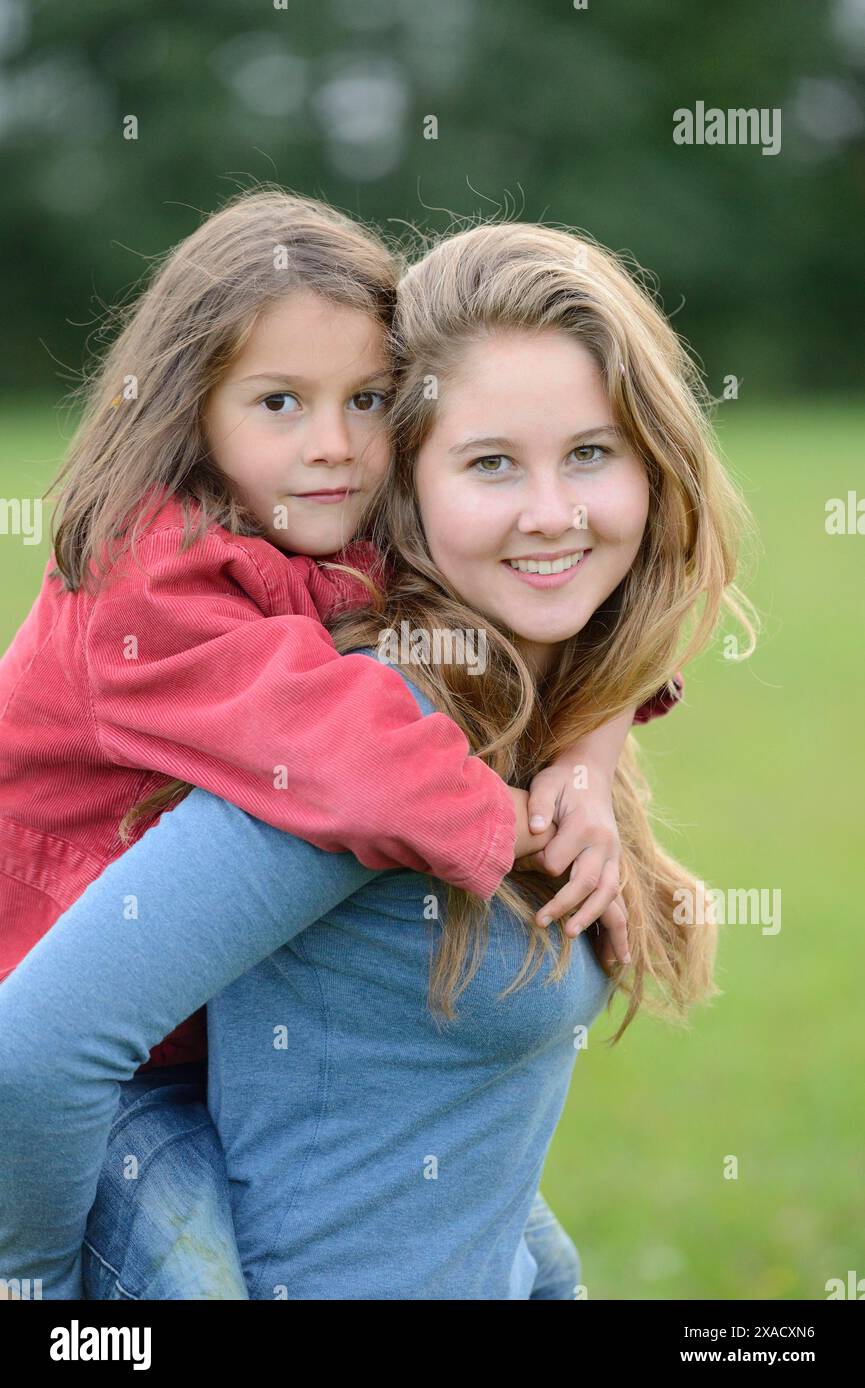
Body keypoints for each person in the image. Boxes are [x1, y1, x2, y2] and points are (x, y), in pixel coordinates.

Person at [0, 218, 740, 1299]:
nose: (334, 445)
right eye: (491, 463)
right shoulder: (211, 639)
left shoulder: (346, 561)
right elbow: (38, 1049)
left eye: (591, 452)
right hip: (74, 1012)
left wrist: (590, 740)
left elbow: (648, 582)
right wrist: (505, 820)